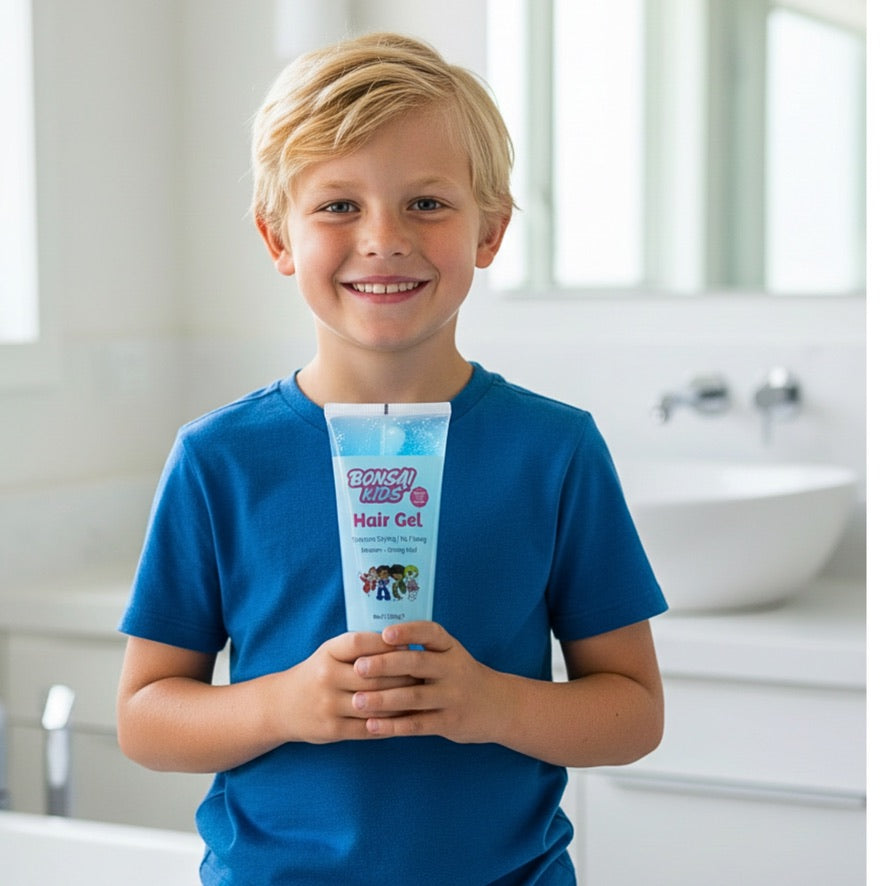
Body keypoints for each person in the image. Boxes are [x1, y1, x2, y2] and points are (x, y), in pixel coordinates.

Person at [116, 31, 668, 885]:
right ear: (278, 238)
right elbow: (146, 719)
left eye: (427, 204)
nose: (383, 239)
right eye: (338, 206)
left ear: (490, 231)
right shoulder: (219, 459)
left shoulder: (554, 452)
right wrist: (284, 704)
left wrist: (493, 703)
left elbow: (632, 713)